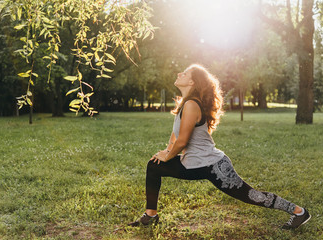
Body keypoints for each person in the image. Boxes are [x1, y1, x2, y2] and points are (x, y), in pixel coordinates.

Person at [128, 64, 311, 229]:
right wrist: (167, 151)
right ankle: (151, 215)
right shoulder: (185, 103)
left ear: (192, 81)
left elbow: (182, 141)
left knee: (252, 196)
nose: (179, 73)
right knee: (154, 166)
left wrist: (167, 156)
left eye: (184, 73)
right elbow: (175, 135)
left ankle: (299, 212)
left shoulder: (192, 105)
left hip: (214, 166)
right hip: (192, 163)